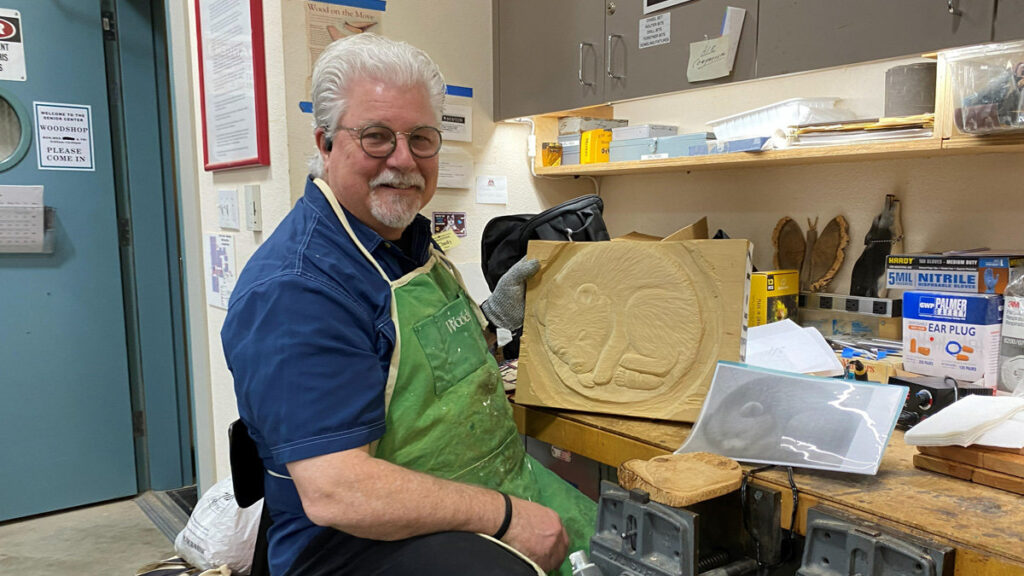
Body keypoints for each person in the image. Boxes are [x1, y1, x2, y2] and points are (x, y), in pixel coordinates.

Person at [221, 33, 595, 576]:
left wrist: (493, 322)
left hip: (483, 482)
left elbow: (417, 369)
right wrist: (508, 517)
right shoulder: (297, 290)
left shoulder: (404, 243)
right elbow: (337, 490)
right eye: (376, 137)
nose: (403, 159)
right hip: (351, 542)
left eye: (421, 138)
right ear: (326, 143)